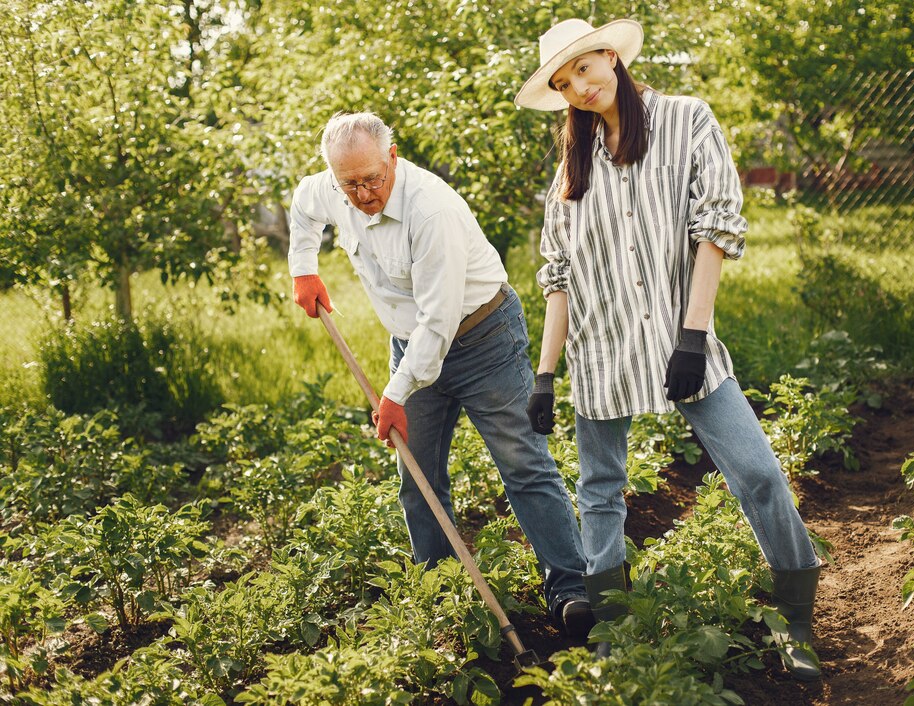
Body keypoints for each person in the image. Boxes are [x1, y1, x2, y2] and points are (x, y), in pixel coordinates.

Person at [515, 19, 824, 678]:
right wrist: (544, 375)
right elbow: (560, 279)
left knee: (759, 476)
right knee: (600, 492)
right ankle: (614, 638)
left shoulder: (686, 121)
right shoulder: (572, 173)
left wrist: (693, 333)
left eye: (584, 68)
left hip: (680, 342)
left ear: (611, 55)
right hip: (601, 352)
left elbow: (716, 224)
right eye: (564, 83)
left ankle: (796, 622)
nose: (580, 87)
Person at [287, 111, 593, 638]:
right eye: (350, 184)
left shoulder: (432, 211)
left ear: (393, 157)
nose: (362, 194)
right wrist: (304, 268)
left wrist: (395, 393)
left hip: (482, 338)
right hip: (412, 344)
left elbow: (439, 321)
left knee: (523, 464)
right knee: (418, 475)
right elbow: (301, 205)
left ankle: (570, 589)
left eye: (373, 180)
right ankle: (439, 593)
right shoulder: (334, 188)